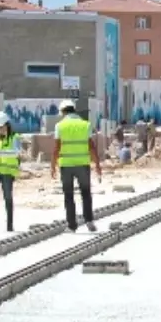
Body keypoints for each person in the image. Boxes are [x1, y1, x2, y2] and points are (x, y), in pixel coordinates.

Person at [51, 98, 101, 233]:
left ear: (63, 111)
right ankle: (89, 220)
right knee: (86, 193)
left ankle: (72, 225)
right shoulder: (85, 125)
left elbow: (56, 147)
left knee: (68, 195)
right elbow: (92, 146)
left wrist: (52, 165)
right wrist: (97, 164)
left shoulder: (59, 126)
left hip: (66, 165)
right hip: (83, 164)